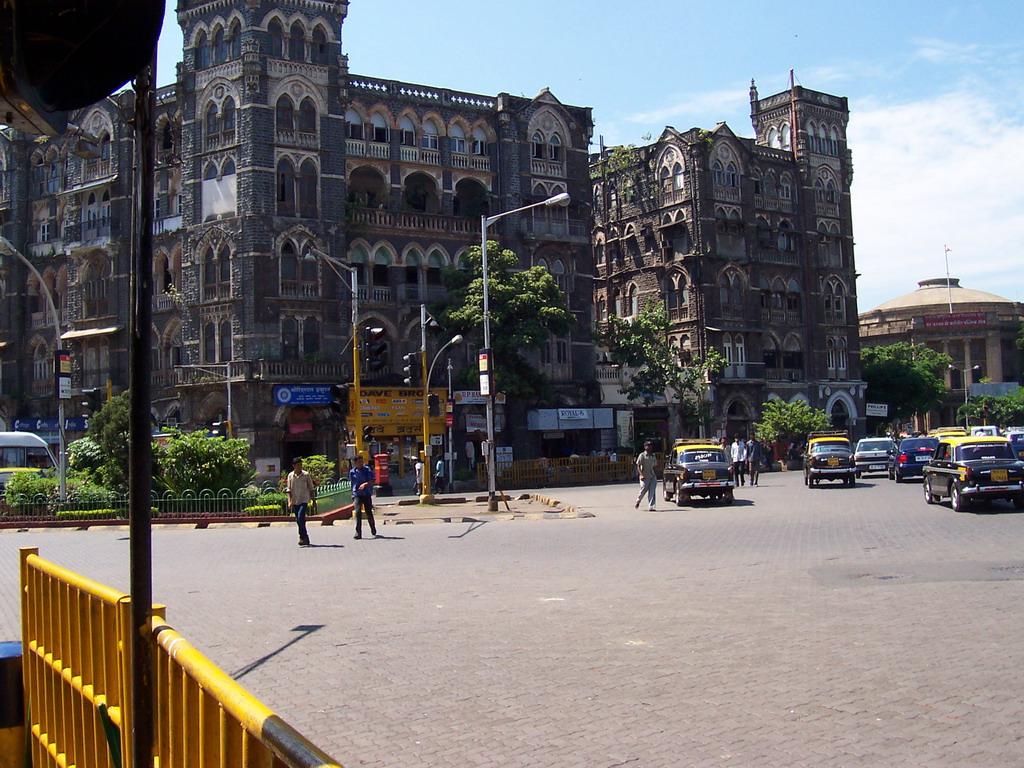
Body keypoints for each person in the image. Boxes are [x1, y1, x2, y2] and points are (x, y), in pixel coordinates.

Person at [285, 457, 316, 547]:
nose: (299, 467)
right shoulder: (290, 476)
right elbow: (289, 490)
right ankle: (304, 537)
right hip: (295, 500)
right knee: (299, 520)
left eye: (300, 465)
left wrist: (313, 500)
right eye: (298, 465)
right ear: (294, 466)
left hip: (304, 499)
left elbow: (311, 488)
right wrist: (289, 501)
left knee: (300, 517)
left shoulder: (306, 475)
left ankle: (303, 537)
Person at [348, 454, 377, 539]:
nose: (361, 463)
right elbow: (352, 483)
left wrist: (365, 484)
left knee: (368, 512)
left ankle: (372, 527)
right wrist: (352, 494)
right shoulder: (352, 472)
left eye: (362, 461)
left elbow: (372, 480)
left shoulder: (367, 470)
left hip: (366, 494)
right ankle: (358, 532)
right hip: (357, 494)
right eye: (359, 462)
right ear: (355, 463)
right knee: (358, 512)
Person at [634, 440, 659, 511]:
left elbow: (655, 465)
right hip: (644, 477)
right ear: (645, 447)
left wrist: (656, 473)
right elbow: (638, 466)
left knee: (652, 491)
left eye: (651, 446)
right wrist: (641, 475)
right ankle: (638, 501)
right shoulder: (642, 455)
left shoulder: (653, 456)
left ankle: (651, 506)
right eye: (648, 446)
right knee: (643, 491)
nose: (650, 447)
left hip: (652, 476)